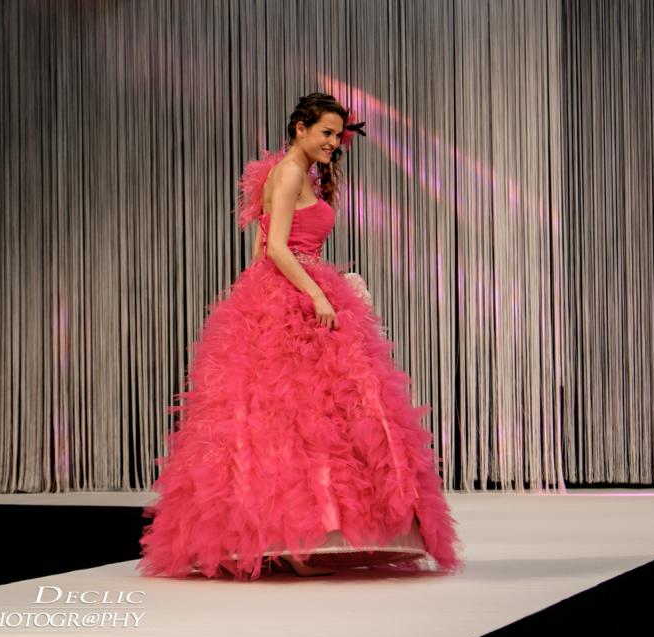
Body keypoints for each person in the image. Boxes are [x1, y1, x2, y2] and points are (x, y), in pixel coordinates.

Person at [136, 92, 464, 580]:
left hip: (284, 291)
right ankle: (297, 540)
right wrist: (317, 295)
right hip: (295, 289)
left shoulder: (293, 173)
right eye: (326, 133)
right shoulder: (289, 172)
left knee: (305, 419)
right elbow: (275, 247)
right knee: (296, 418)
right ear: (300, 129)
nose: (334, 142)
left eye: (338, 134)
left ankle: (299, 537)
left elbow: (259, 249)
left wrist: (254, 301)